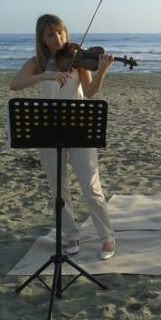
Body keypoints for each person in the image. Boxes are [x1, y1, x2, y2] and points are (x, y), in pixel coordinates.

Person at [9, 14, 116, 260]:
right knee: (59, 188)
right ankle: (71, 235)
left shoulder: (77, 60)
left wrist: (101, 72)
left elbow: (89, 93)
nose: (57, 38)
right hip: (48, 129)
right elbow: (15, 84)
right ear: (42, 38)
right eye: (50, 34)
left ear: (66, 34)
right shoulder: (38, 62)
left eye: (60, 32)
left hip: (78, 126)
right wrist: (45, 76)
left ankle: (107, 237)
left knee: (90, 185)